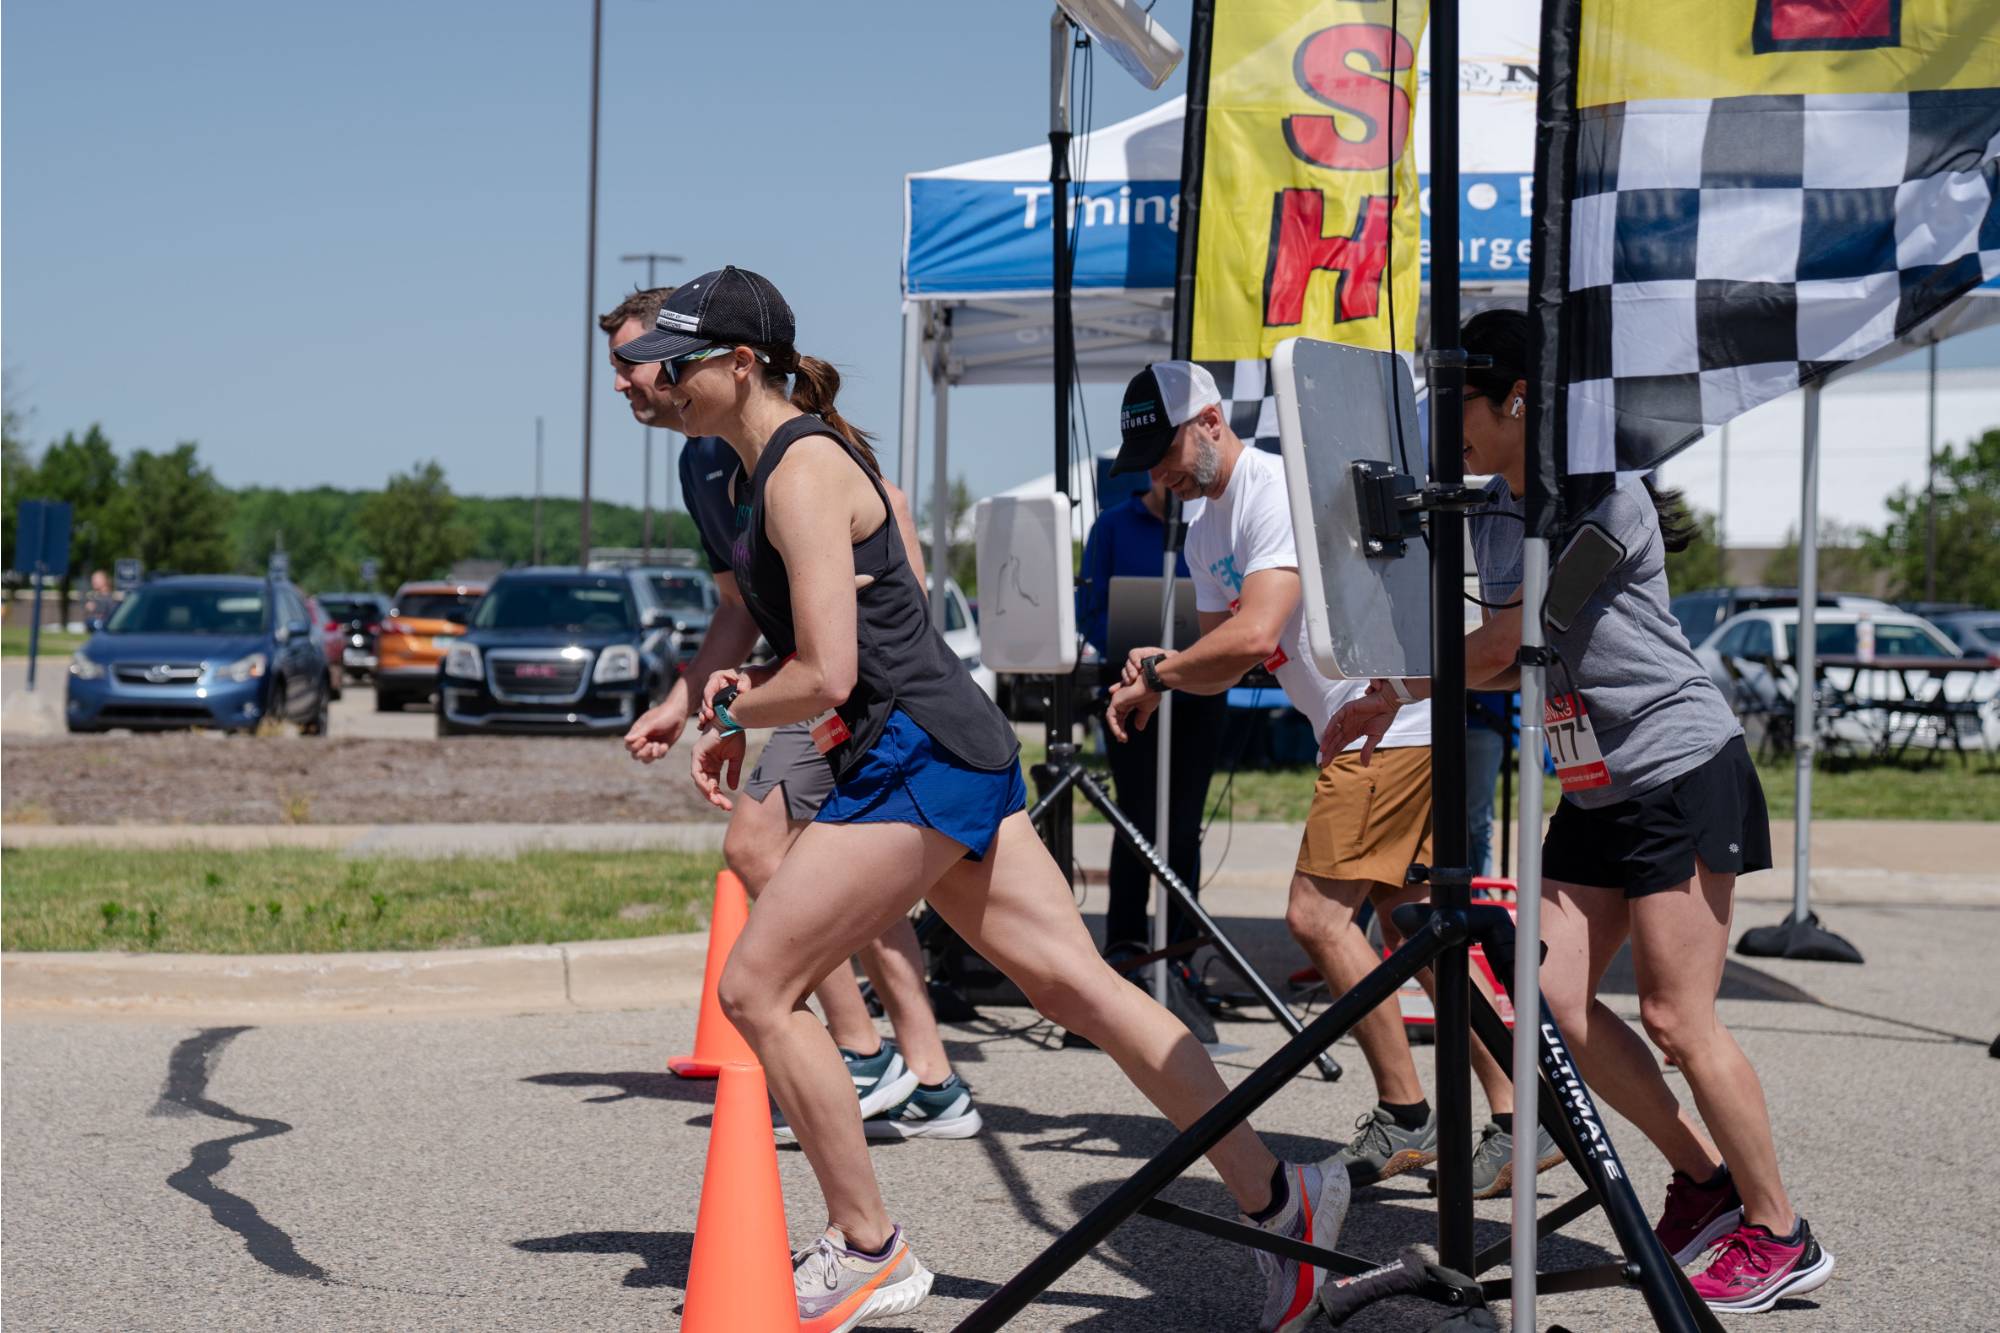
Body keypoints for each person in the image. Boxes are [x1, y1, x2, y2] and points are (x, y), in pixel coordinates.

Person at [617, 267, 1347, 1333]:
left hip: (914, 753)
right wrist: (732, 695)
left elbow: (824, 671)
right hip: (939, 744)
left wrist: (731, 713)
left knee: (757, 988)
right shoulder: (764, 463)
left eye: (675, 365)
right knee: (1078, 989)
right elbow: (820, 662)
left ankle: (867, 1247)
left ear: (738, 364)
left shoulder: (799, 468)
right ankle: (1282, 1198)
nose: (659, 385)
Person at [1319, 308, 1832, 1315]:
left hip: (1678, 770)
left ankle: (1779, 1230)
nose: (1444, 427)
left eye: (1459, 402)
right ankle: (1700, 1181)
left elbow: (1507, 646)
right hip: (1592, 784)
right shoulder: (1497, 506)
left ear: (1517, 396)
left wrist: (1394, 686)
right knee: (1544, 999)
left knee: (1677, 1019)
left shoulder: (1604, 498)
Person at [1102, 361, 1557, 1199]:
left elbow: (1254, 632)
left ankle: (1410, 1114)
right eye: (1144, 462)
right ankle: (1515, 1112)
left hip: (1391, 722)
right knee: (1418, 931)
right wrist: (1164, 669)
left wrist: (1164, 674)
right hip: (1368, 726)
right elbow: (1222, 661)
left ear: (1209, 420)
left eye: (1163, 449)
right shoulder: (1206, 530)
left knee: (1315, 916)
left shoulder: (1272, 487)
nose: (1158, 473)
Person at [604, 287, 978, 1141]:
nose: (625, 382)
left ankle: (867, 1055)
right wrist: (682, 701)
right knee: (850, 886)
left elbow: (890, 535)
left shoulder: (794, 443)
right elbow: (738, 604)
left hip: (861, 688)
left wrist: (867, 657)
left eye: (636, 361)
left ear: (706, 360)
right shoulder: (704, 459)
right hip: (817, 682)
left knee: (766, 853)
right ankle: (929, 1077)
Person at [1075, 476, 1227, 956]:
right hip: (1131, 692)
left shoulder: (1210, 523)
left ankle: (1181, 953)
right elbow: (1090, 611)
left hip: (1201, 694)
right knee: (1135, 822)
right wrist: (1133, 659)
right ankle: (1125, 944)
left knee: (1184, 828)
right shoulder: (1114, 525)